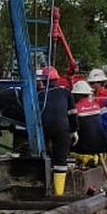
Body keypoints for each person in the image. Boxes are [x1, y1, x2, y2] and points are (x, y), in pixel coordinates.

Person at [38, 66, 77, 195]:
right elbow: (72, 113)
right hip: (62, 129)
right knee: (61, 159)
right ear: (57, 79)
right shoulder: (66, 93)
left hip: (43, 129)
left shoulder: (39, 95)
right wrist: (74, 131)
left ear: (43, 81)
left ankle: (44, 188)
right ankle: (58, 193)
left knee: (44, 156)